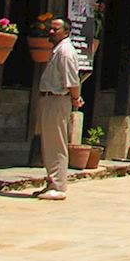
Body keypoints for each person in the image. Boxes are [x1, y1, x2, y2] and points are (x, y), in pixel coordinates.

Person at [34, 19, 84, 201]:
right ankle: (51, 181)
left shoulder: (65, 52)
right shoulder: (58, 50)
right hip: (49, 99)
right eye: (51, 28)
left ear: (66, 31)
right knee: (48, 142)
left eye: (56, 29)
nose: (51, 31)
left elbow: (72, 80)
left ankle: (58, 185)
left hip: (57, 99)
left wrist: (75, 98)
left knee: (56, 143)